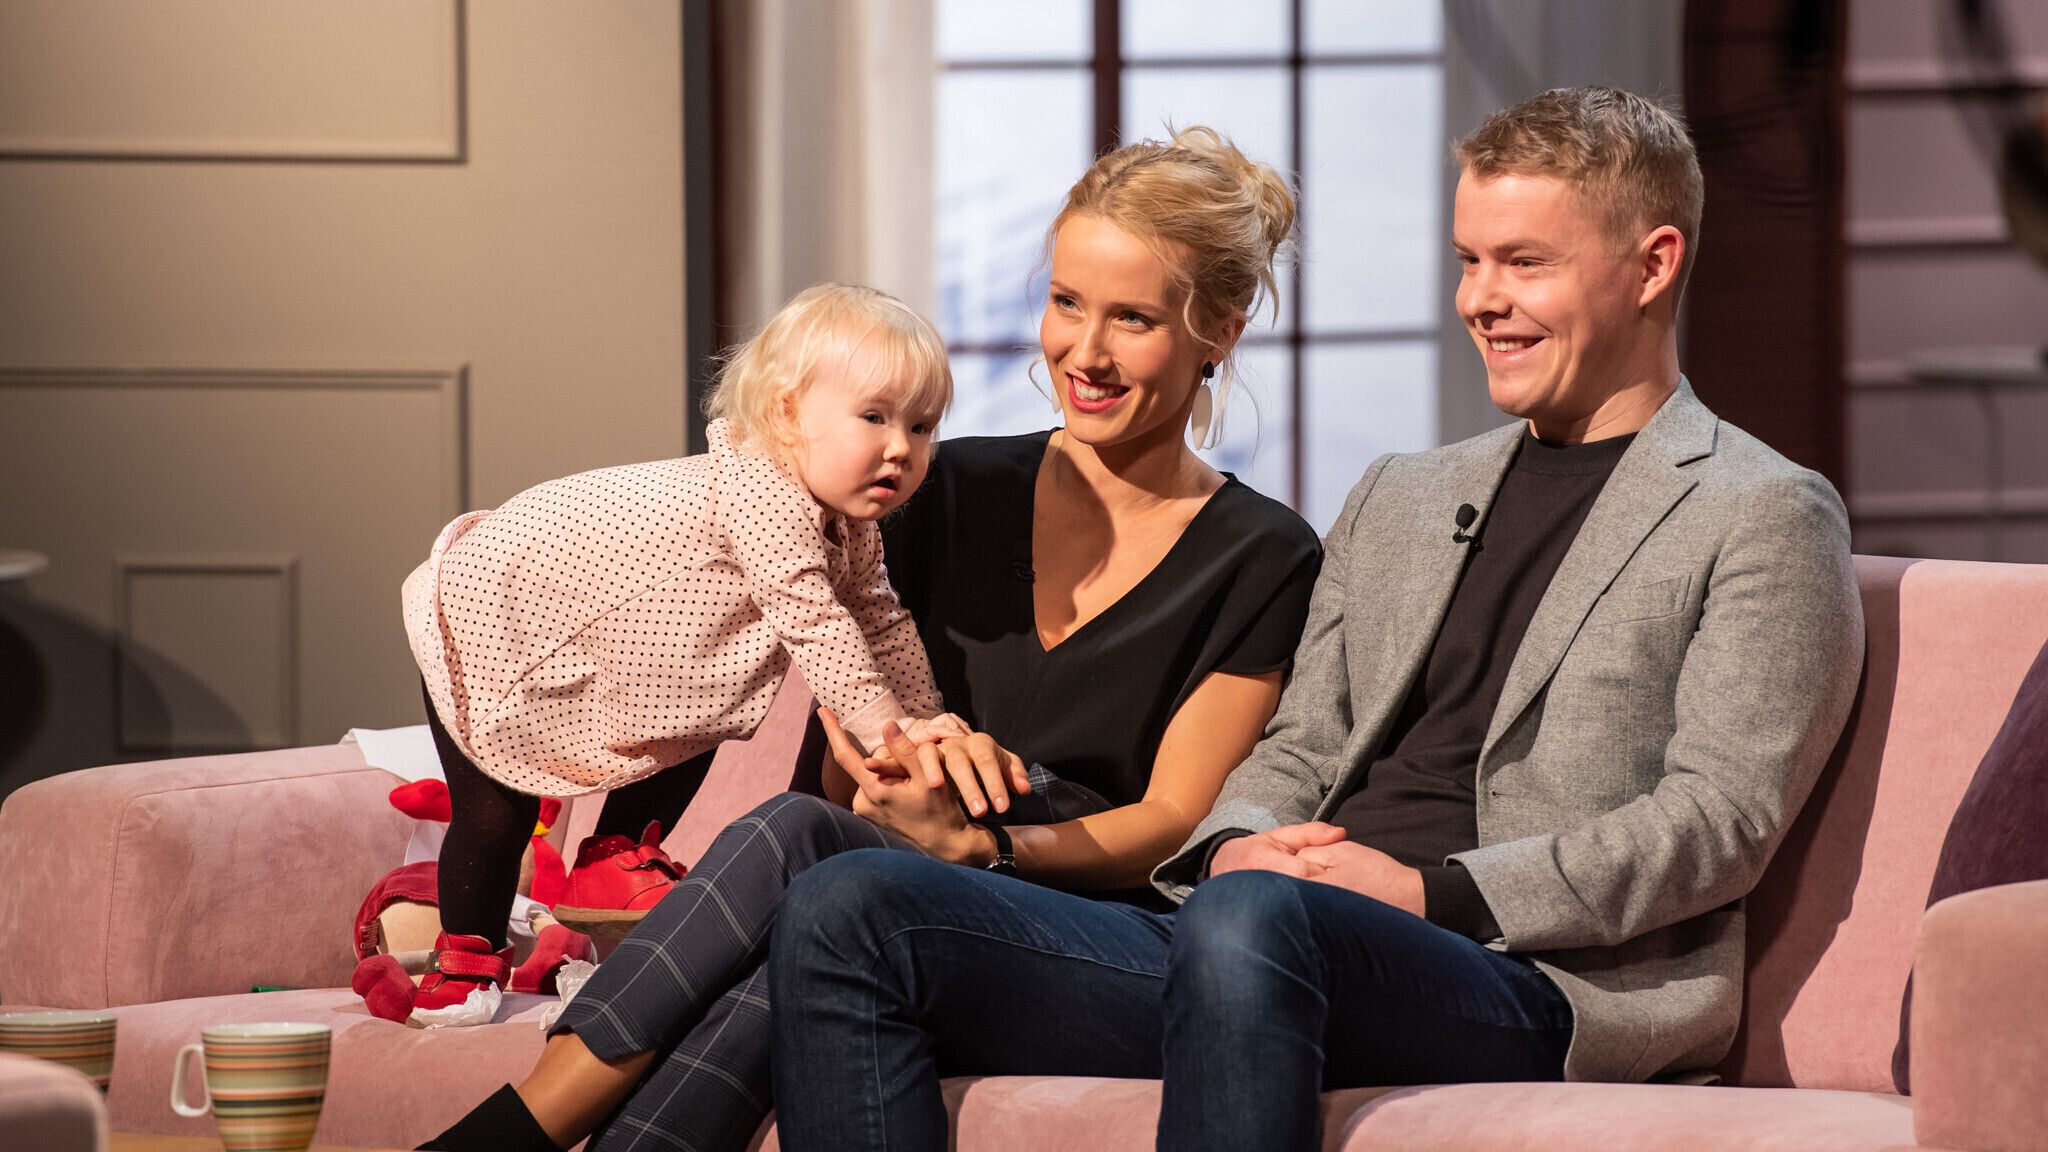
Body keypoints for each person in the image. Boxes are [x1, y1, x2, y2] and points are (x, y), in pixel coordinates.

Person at [767, 86, 1867, 1152]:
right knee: (848, 903)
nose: (1480, 300)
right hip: (1268, 938)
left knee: (1250, 921)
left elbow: (1716, 822)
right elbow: (1300, 745)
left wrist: (1428, 892)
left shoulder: (1761, 511)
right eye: (1469, 261)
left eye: (1524, 263)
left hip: (1532, 980)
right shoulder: (1402, 494)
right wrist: (1238, 846)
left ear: (1654, 265)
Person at [417, 125, 1322, 1152]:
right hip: (887, 883)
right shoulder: (939, 488)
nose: (1084, 351)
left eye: (1134, 319)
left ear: (1218, 333)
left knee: (806, 856)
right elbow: (841, 770)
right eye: (1068, 302)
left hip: (1093, 924)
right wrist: (910, 786)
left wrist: (982, 844)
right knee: (815, 896)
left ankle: (509, 1135)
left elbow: (1174, 822)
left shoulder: (1263, 553)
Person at [361, 283, 971, 1024]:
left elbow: (881, 619)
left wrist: (925, 724)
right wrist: (886, 732)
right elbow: (815, 622)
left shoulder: (850, 527)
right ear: (787, 414)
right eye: (874, 418)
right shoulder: (765, 488)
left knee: (699, 719)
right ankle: (465, 960)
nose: (902, 447)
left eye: (922, 426)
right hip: (499, 618)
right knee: (495, 817)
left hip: (615, 645)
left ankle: (612, 854)